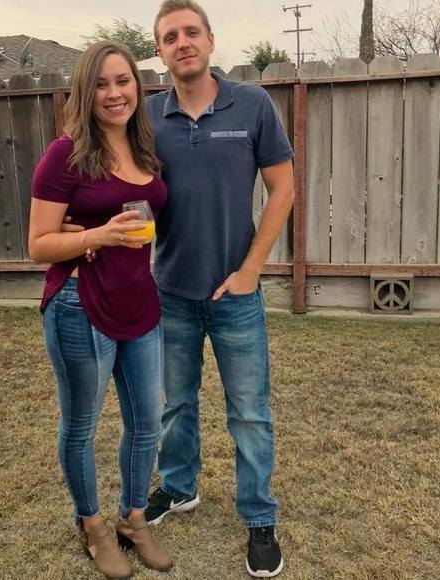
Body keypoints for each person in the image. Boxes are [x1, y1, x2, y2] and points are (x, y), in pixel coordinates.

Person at [143, 1, 295, 578]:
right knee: (174, 404)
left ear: (210, 40)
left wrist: (252, 269)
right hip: (170, 291)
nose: (182, 42)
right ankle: (179, 487)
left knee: (249, 412)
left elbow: (282, 189)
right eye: (169, 37)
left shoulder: (251, 104)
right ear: (160, 51)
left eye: (191, 32)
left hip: (236, 293)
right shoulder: (147, 117)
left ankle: (259, 515)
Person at [28, 40, 173, 579]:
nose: (115, 94)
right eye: (102, 84)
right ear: (85, 93)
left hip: (140, 302)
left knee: (146, 422)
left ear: (137, 86)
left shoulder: (145, 149)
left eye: (123, 81)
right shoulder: (63, 155)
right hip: (79, 305)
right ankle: (91, 526)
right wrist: (96, 235)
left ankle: (134, 519)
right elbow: (38, 245)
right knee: (82, 425)